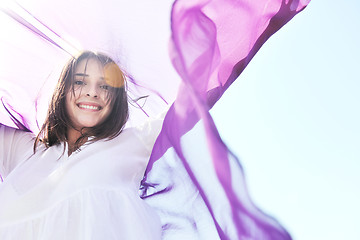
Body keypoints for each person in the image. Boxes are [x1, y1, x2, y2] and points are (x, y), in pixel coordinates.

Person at [0, 51, 164, 239]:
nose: (92, 92)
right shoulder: (25, 150)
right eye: (79, 82)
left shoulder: (133, 143)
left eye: (105, 86)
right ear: (62, 90)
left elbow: (190, 106)